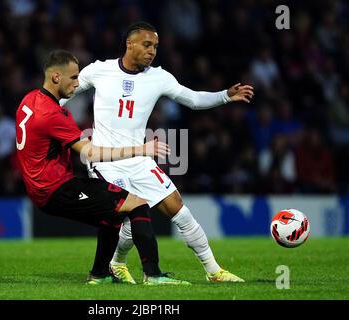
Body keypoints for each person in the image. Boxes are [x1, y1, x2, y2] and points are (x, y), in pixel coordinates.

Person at [69, 21, 254, 283]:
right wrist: (47, 115)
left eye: (155, 46)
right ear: (129, 44)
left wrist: (225, 95)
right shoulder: (100, 70)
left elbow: (192, 99)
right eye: (147, 45)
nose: (152, 51)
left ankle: (214, 271)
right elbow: (64, 95)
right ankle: (124, 267)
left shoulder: (159, 77)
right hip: (106, 160)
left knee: (178, 207)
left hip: (139, 159)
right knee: (132, 214)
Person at [15, 49, 190, 285]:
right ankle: (153, 274)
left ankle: (100, 275)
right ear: (56, 77)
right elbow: (91, 153)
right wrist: (141, 149)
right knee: (137, 204)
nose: (78, 84)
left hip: (42, 186)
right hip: (55, 189)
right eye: (74, 77)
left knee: (113, 215)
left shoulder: (29, 100)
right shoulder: (53, 115)